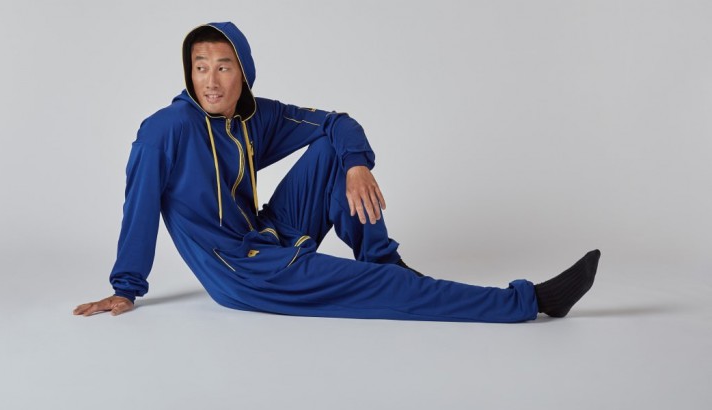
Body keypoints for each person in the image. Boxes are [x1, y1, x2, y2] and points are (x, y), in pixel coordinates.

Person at [73, 22, 600, 322]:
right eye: (200, 67)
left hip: (267, 234)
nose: (210, 80)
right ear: (189, 73)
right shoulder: (164, 130)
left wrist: (355, 164)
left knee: (332, 149)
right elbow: (139, 206)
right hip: (246, 273)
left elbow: (336, 122)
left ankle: (383, 260)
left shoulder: (255, 117)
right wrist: (127, 287)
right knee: (379, 290)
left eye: (223, 66)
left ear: (243, 73)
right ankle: (528, 301)